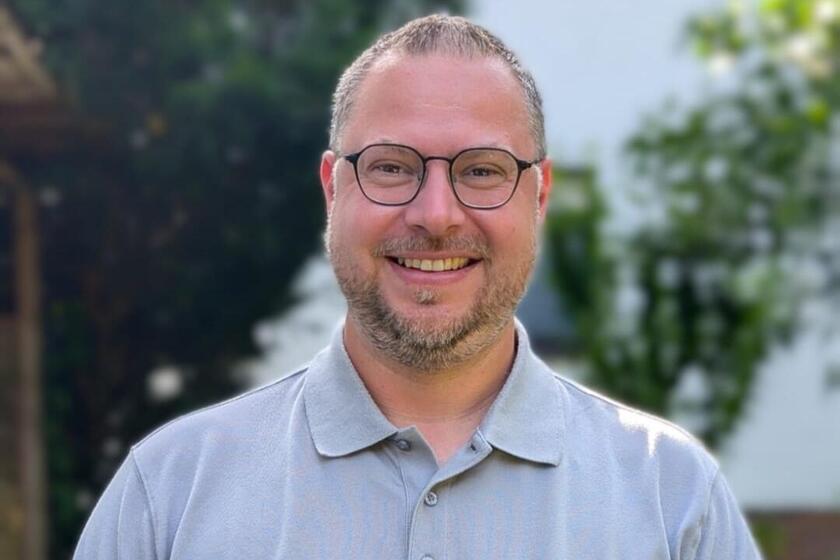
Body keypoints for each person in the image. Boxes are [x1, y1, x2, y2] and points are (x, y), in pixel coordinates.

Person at [74, 14, 762, 559]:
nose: (436, 215)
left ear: (540, 196)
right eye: (392, 167)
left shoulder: (674, 500)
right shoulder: (168, 496)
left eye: (483, 170)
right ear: (332, 189)